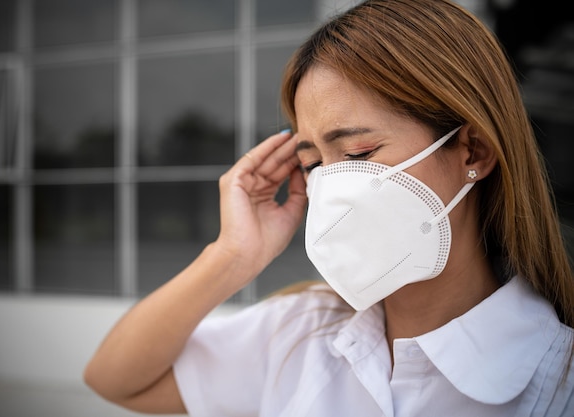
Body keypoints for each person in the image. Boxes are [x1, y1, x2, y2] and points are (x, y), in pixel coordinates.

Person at [83, 0, 574, 415]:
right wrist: (232, 256)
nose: (334, 183)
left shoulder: (559, 379)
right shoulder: (299, 331)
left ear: (473, 152)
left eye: (359, 154)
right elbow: (115, 378)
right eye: (313, 161)